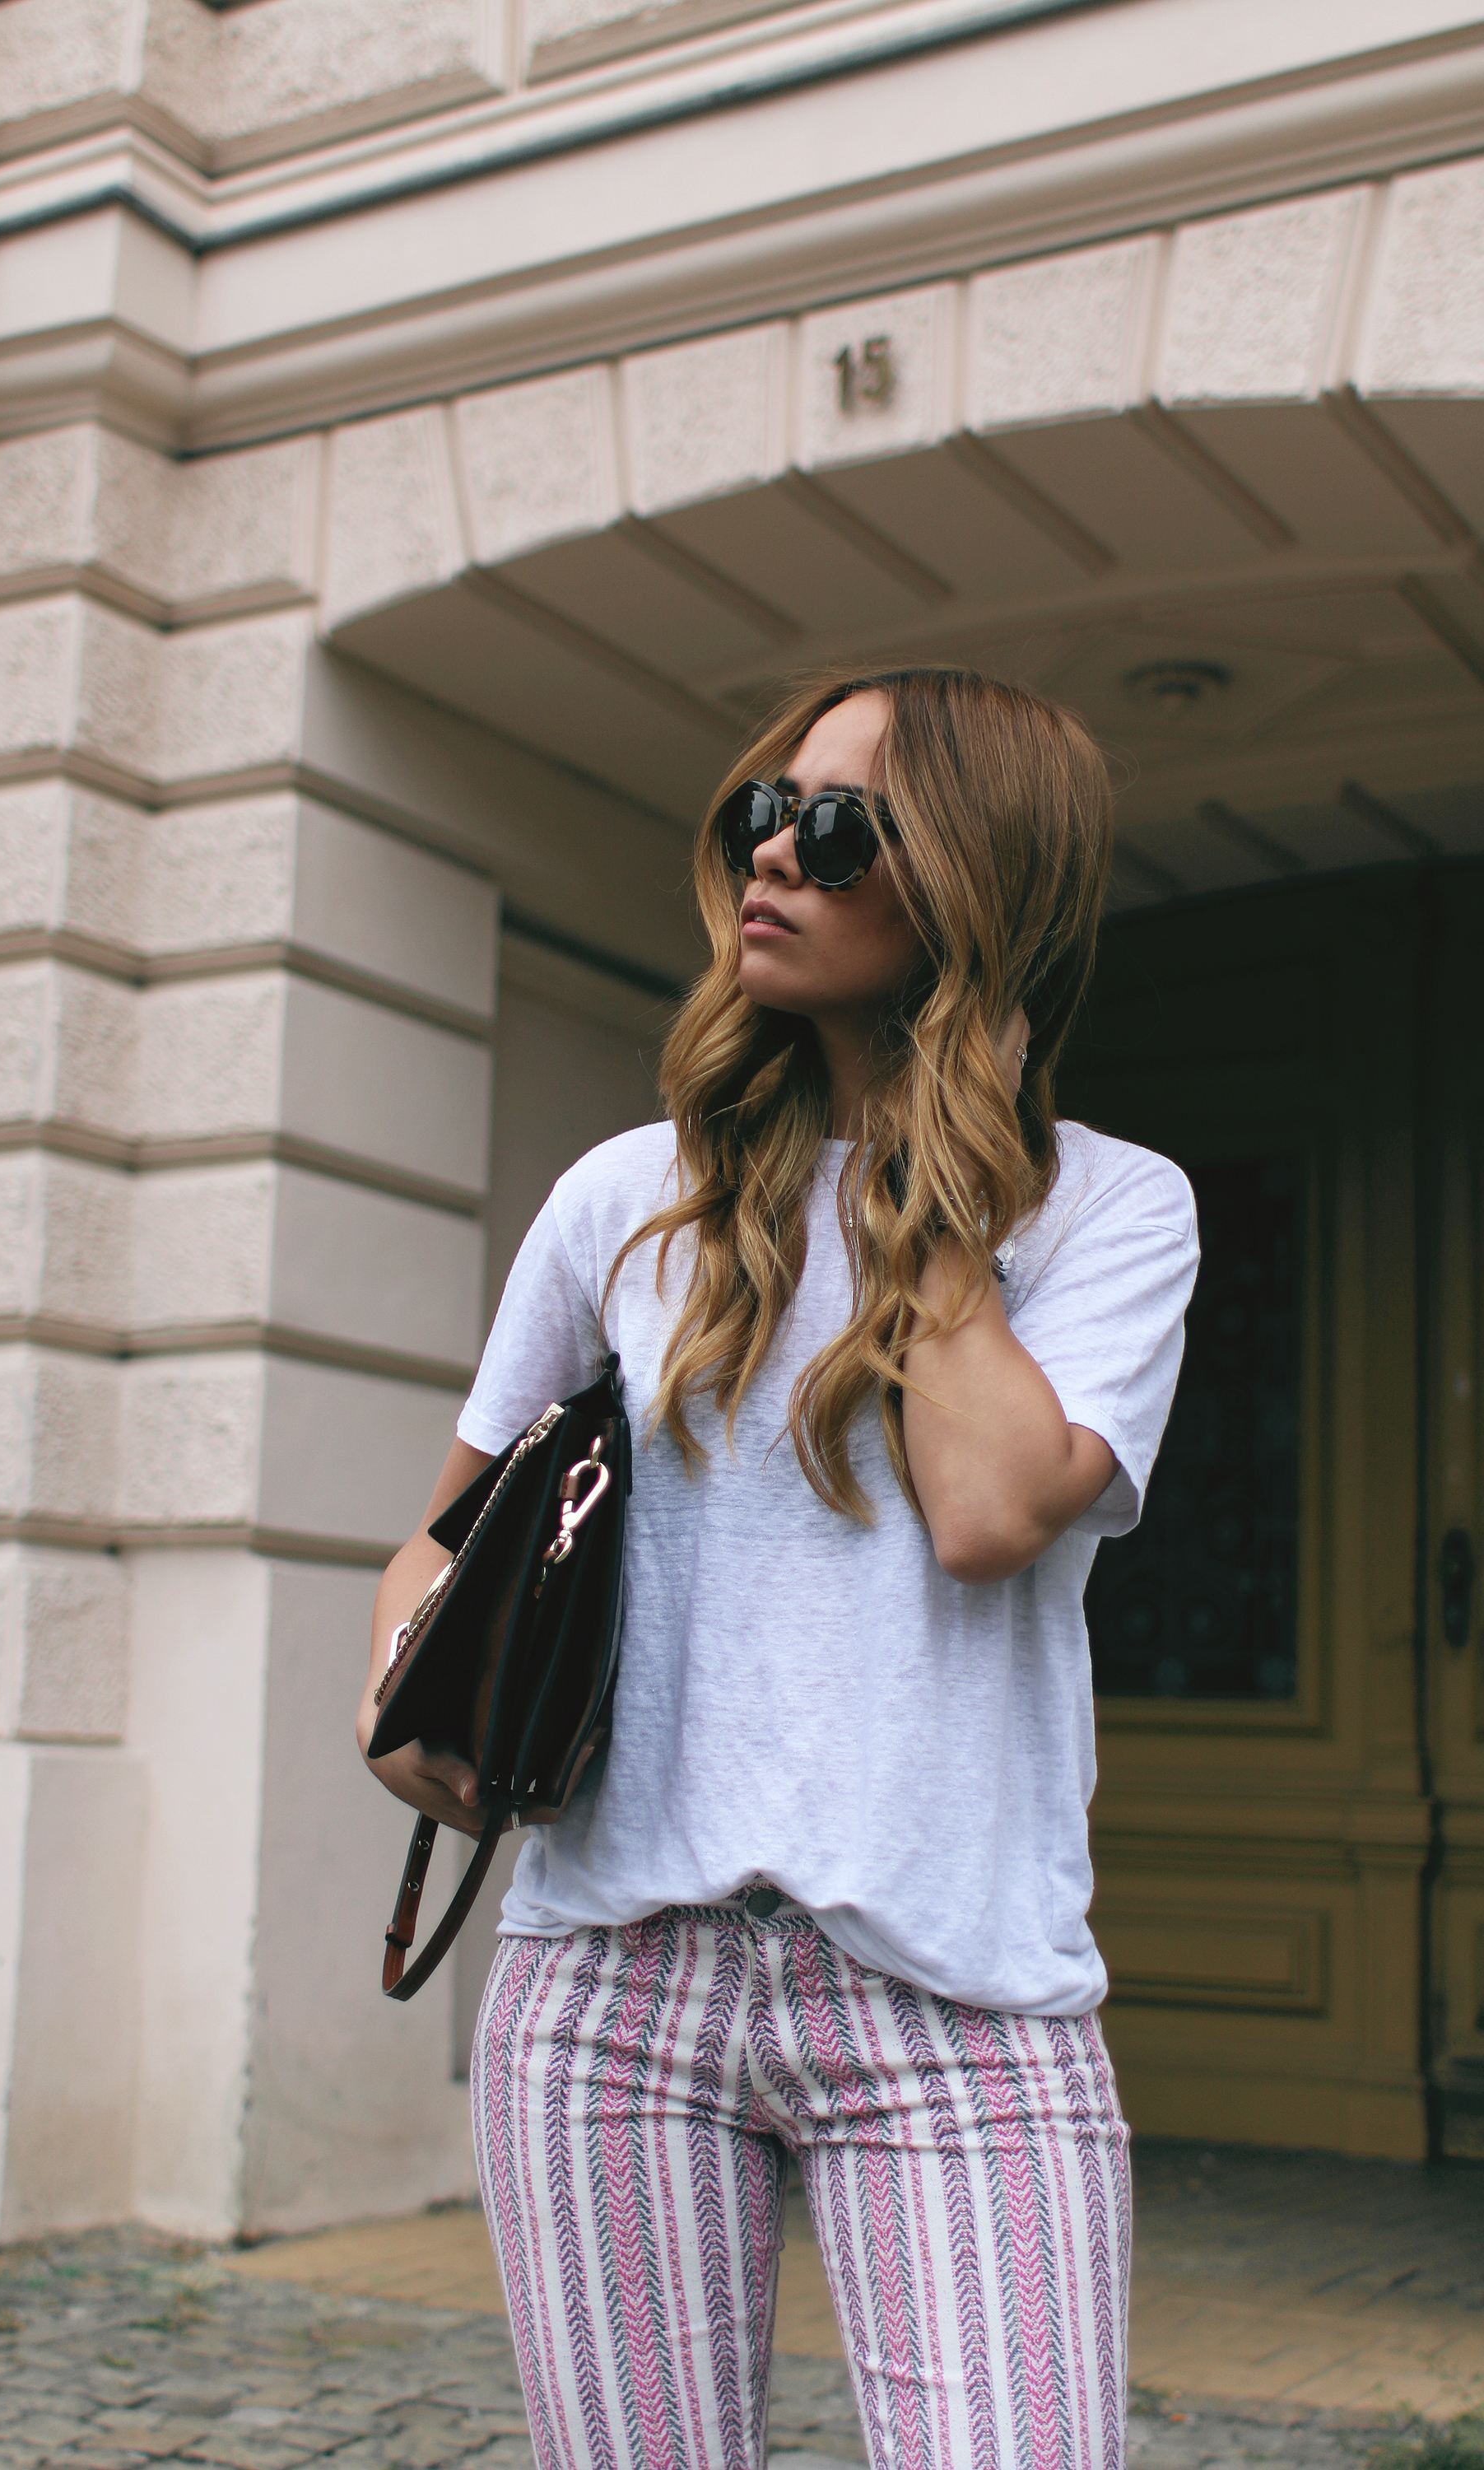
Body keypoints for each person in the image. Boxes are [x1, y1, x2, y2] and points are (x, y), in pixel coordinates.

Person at [358, 667, 1199, 2470]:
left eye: (838, 829)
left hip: (952, 2007)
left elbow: (982, 1515)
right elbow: (447, 1522)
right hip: (611, 1986)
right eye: (764, 810)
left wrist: (926, 1154)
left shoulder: (1114, 1213)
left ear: (976, 887)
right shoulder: (622, 1202)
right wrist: (401, 1686)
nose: (774, 855)